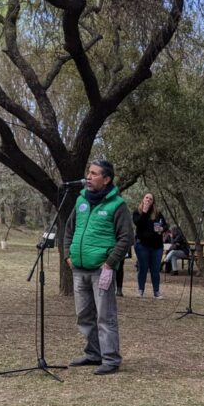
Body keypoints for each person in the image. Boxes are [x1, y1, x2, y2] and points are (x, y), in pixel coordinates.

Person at [63, 159, 133, 375]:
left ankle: (110, 359)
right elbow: (68, 230)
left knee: (105, 316)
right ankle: (93, 354)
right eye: (88, 173)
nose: (89, 177)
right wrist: (68, 255)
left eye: (94, 174)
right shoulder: (80, 201)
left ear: (107, 179)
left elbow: (126, 237)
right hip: (79, 269)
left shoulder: (117, 205)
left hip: (101, 270)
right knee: (84, 315)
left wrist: (110, 262)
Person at [132, 192, 169, 298]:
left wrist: (162, 229)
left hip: (157, 246)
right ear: (143, 199)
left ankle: (156, 292)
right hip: (142, 245)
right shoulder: (137, 212)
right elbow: (138, 223)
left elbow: (166, 225)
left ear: (153, 202)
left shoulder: (157, 213)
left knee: (155, 270)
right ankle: (140, 290)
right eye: (146, 198)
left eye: (150, 199)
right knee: (143, 268)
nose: (148, 200)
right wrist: (144, 211)